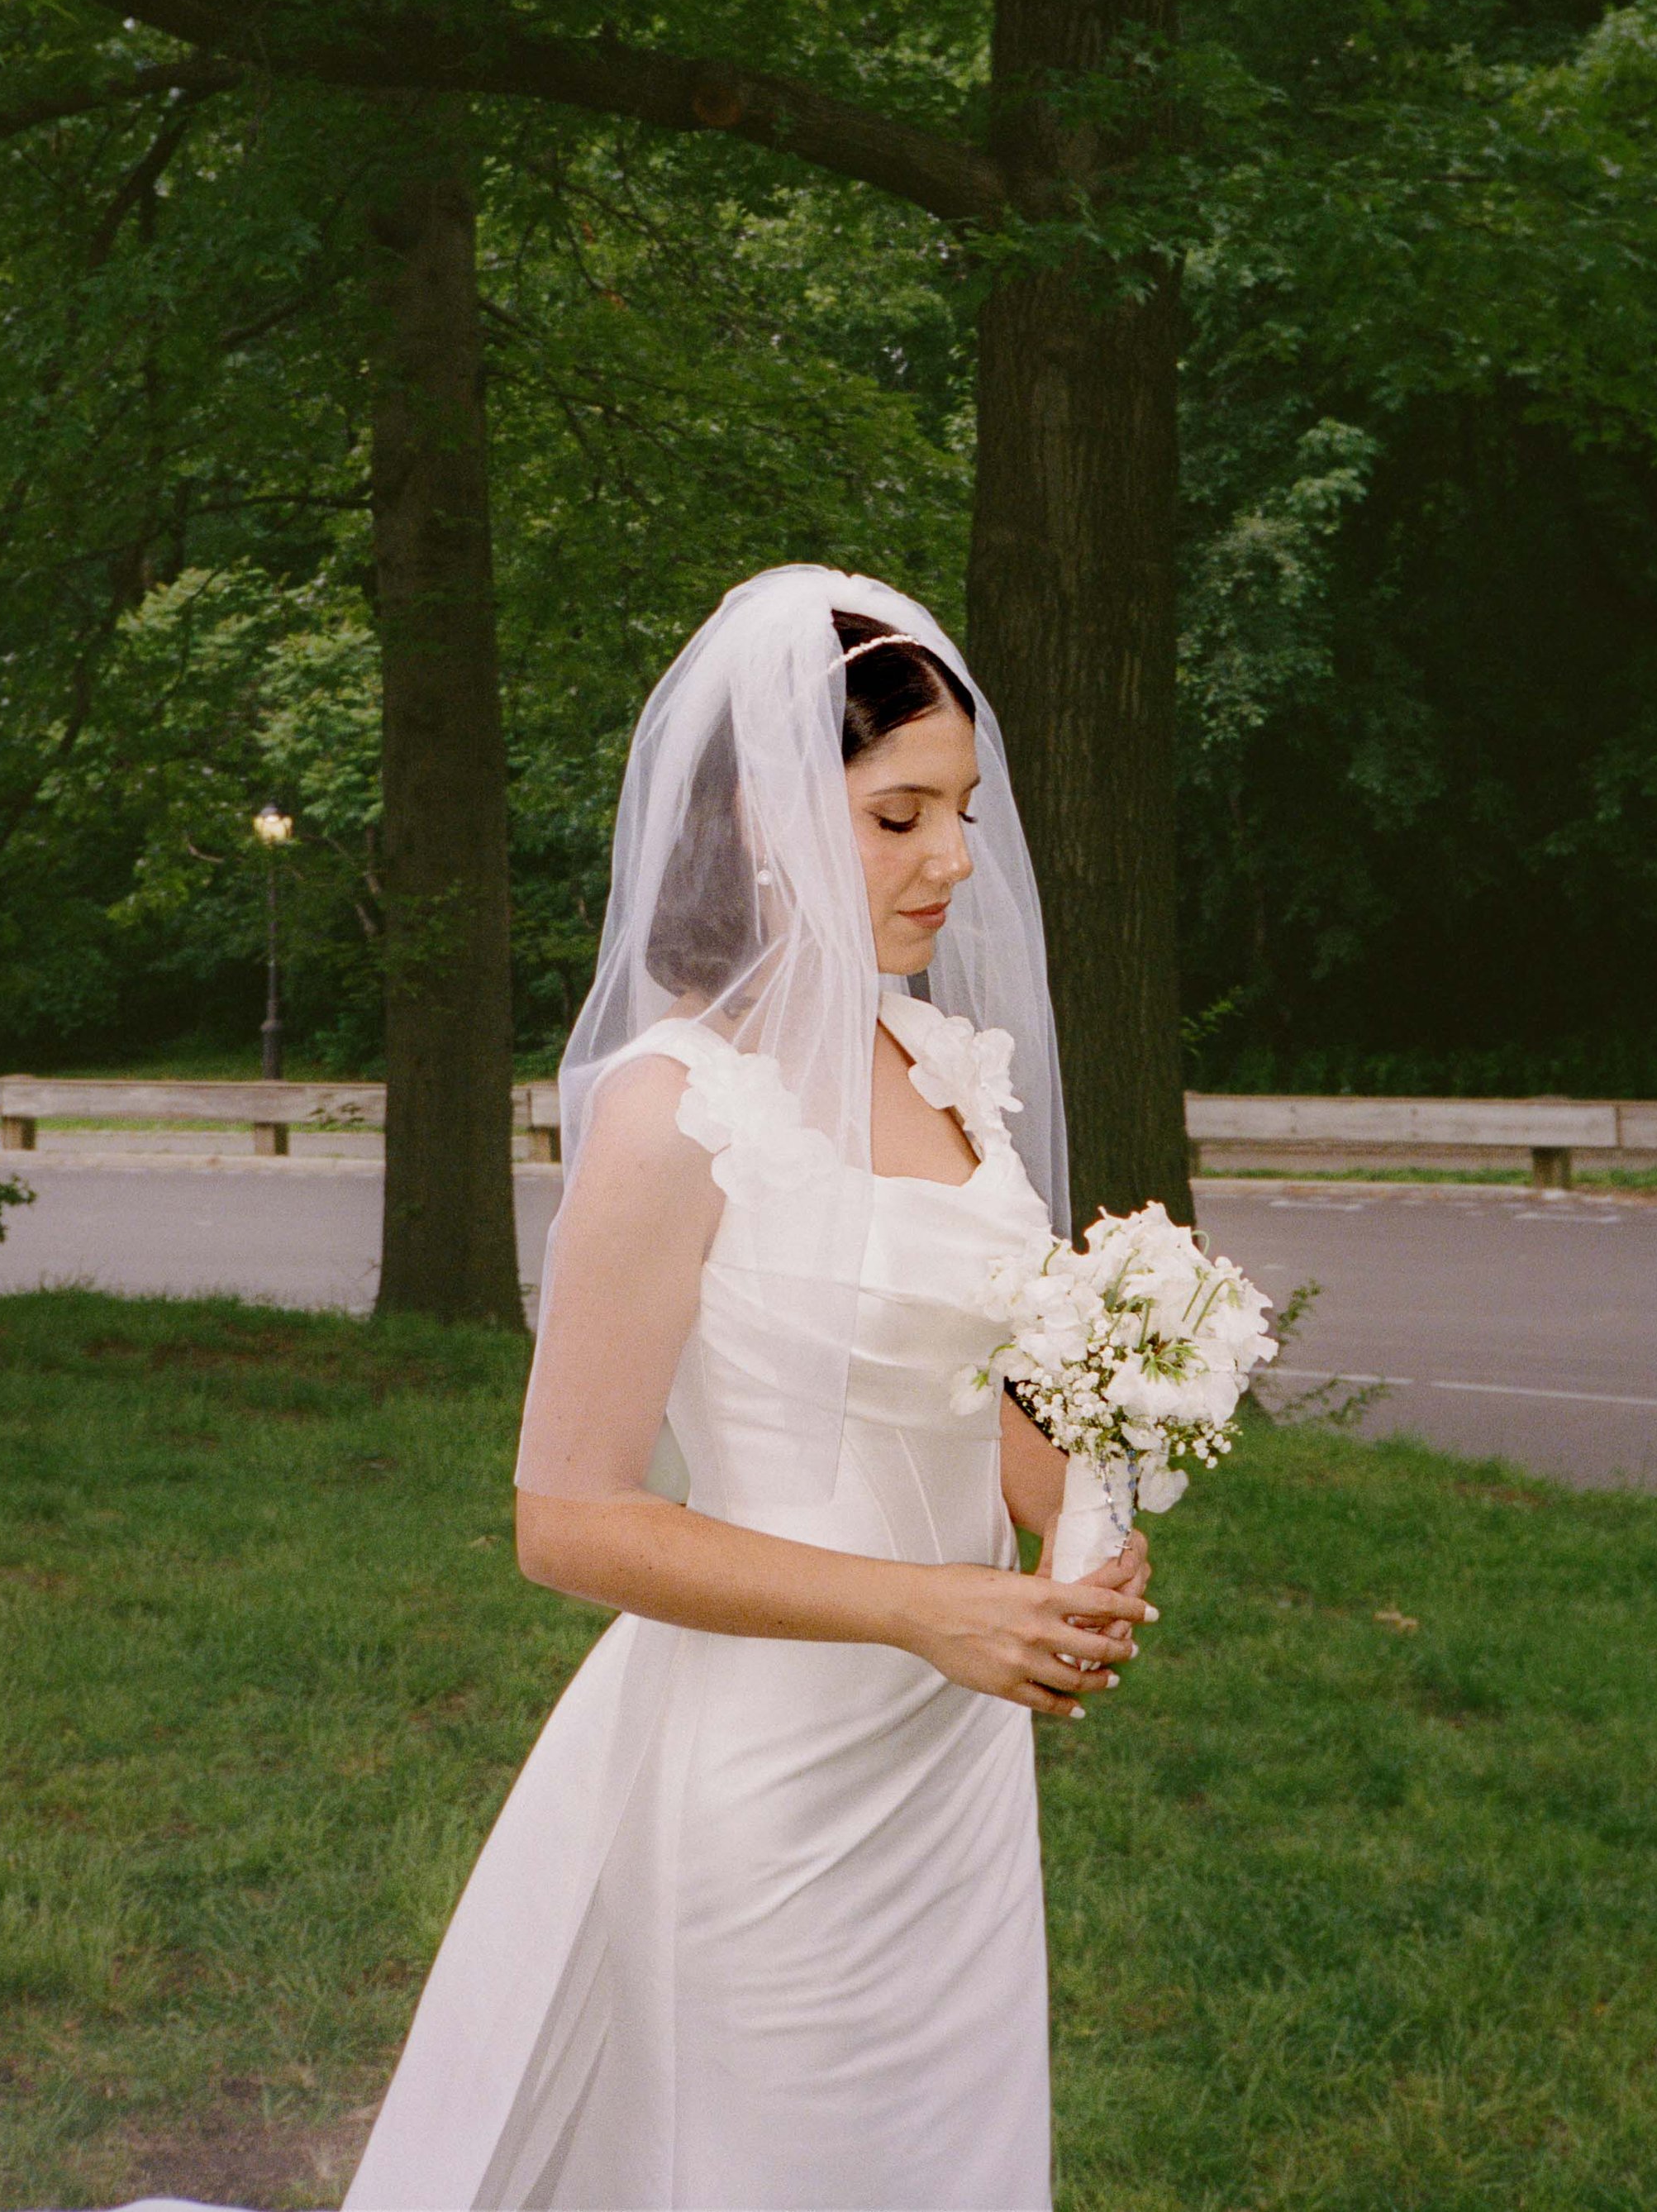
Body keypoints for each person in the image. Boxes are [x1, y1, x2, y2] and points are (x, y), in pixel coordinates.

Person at [343, 568, 1153, 2212]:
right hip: (770, 1781)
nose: (950, 857)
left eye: (963, 810)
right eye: (895, 810)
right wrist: (923, 1605)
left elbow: (993, 1420)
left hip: (950, 1761)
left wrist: (1087, 1514)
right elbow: (564, 1519)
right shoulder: (673, 1108)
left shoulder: (946, 1070)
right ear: (767, 813)